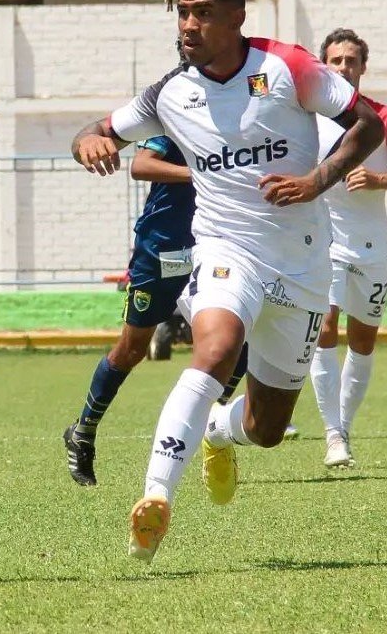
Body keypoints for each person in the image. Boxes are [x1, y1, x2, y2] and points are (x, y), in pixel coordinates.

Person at [72, 0, 382, 563]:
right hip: (224, 247)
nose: (188, 25)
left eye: (202, 14)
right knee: (213, 348)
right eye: (182, 13)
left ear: (237, 16)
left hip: (302, 263)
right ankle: (156, 498)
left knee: (266, 430)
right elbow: (100, 129)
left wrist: (317, 181)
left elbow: (365, 125)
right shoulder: (170, 92)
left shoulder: (289, 67)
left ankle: (219, 429)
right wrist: (90, 138)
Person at [61, 134, 252, 486]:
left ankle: (213, 421)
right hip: (161, 249)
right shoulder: (176, 117)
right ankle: (83, 431)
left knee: (241, 336)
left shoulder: (239, 124)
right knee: (132, 349)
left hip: (215, 247)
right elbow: (141, 165)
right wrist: (200, 173)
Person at [306, 29, 387, 465]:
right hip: (324, 244)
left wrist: (380, 179)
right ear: (325, 66)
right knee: (323, 328)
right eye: (336, 60)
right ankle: (331, 435)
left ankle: (344, 429)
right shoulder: (307, 115)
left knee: (362, 343)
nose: (343, 67)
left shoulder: (386, 117)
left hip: (372, 247)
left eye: (351, 61)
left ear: (363, 67)